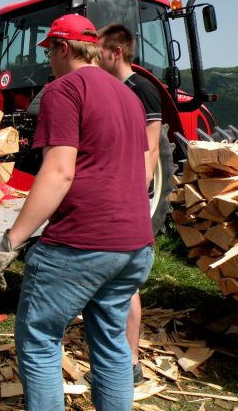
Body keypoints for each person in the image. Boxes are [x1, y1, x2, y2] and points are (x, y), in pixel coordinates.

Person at [0, 14, 154, 411]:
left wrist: (12, 240)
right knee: (112, 341)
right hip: (134, 244)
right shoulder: (128, 95)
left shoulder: (65, 89)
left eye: (49, 52)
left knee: (40, 338)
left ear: (63, 48)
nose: (49, 61)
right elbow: (140, 166)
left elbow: (60, 172)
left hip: (82, 242)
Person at [98, 23, 163, 384]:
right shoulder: (113, 88)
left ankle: (131, 362)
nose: (96, 56)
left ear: (116, 52)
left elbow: (151, 150)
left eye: (101, 50)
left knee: (126, 284)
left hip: (130, 199)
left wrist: (132, 195)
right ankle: (115, 354)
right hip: (113, 196)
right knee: (113, 282)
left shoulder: (142, 89)